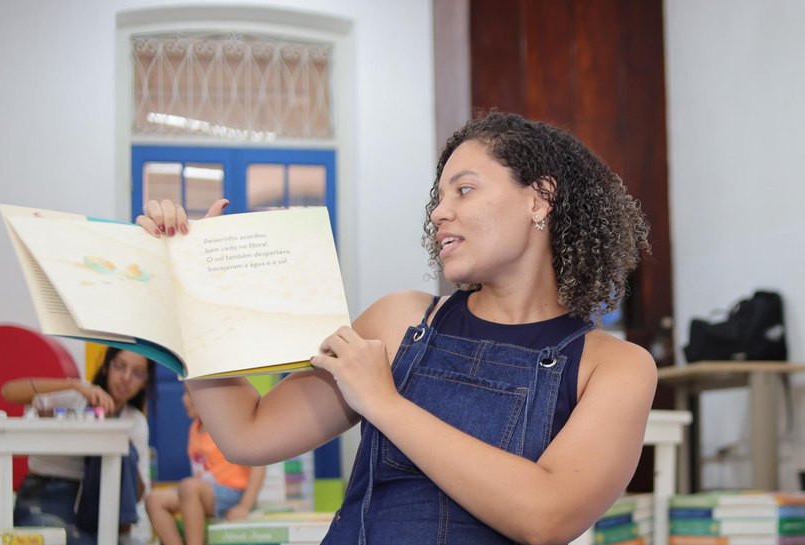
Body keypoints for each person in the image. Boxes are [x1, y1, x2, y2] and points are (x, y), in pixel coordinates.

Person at [137, 112, 658, 544]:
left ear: (538, 198)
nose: (439, 213)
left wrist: (384, 404)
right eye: (439, 198)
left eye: (465, 190)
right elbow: (248, 433)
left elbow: (546, 514)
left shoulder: (613, 366)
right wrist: (184, 294)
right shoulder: (400, 319)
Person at [1, 346, 155, 545]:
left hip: (91, 509)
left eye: (137, 373)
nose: (126, 377)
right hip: (46, 495)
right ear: (106, 367)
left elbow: (138, 495)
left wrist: (124, 448)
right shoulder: (75, 395)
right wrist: (74, 385)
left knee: (122, 445)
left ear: (144, 382)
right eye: (120, 366)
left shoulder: (135, 421)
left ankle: (121, 538)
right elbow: (8, 392)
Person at [145, 391, 265, 545]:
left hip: (232, 494)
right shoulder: (194, 428)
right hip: (202, 494)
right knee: (154, 500)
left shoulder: (229, 424)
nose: (184, 399)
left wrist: (244, 506)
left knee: (189, 486)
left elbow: (259, 466)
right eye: (184, 392)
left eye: (190, 393)